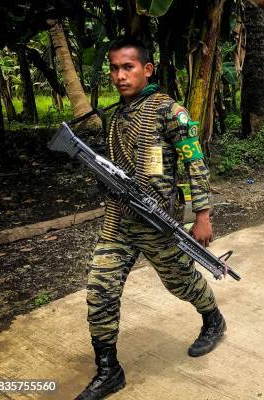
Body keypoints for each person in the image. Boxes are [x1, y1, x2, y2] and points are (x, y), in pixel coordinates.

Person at [75, 37, 226, 400]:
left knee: (182, 284)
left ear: (147, 69)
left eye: (128, 67)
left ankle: (213, 319)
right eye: (114, 68)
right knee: (100, 289)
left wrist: (201, 215)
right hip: (117, 221)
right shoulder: (115, 115)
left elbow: (195, 164)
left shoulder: (169, 111)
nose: (119, 76)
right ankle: (109, 370)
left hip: (156, 222)